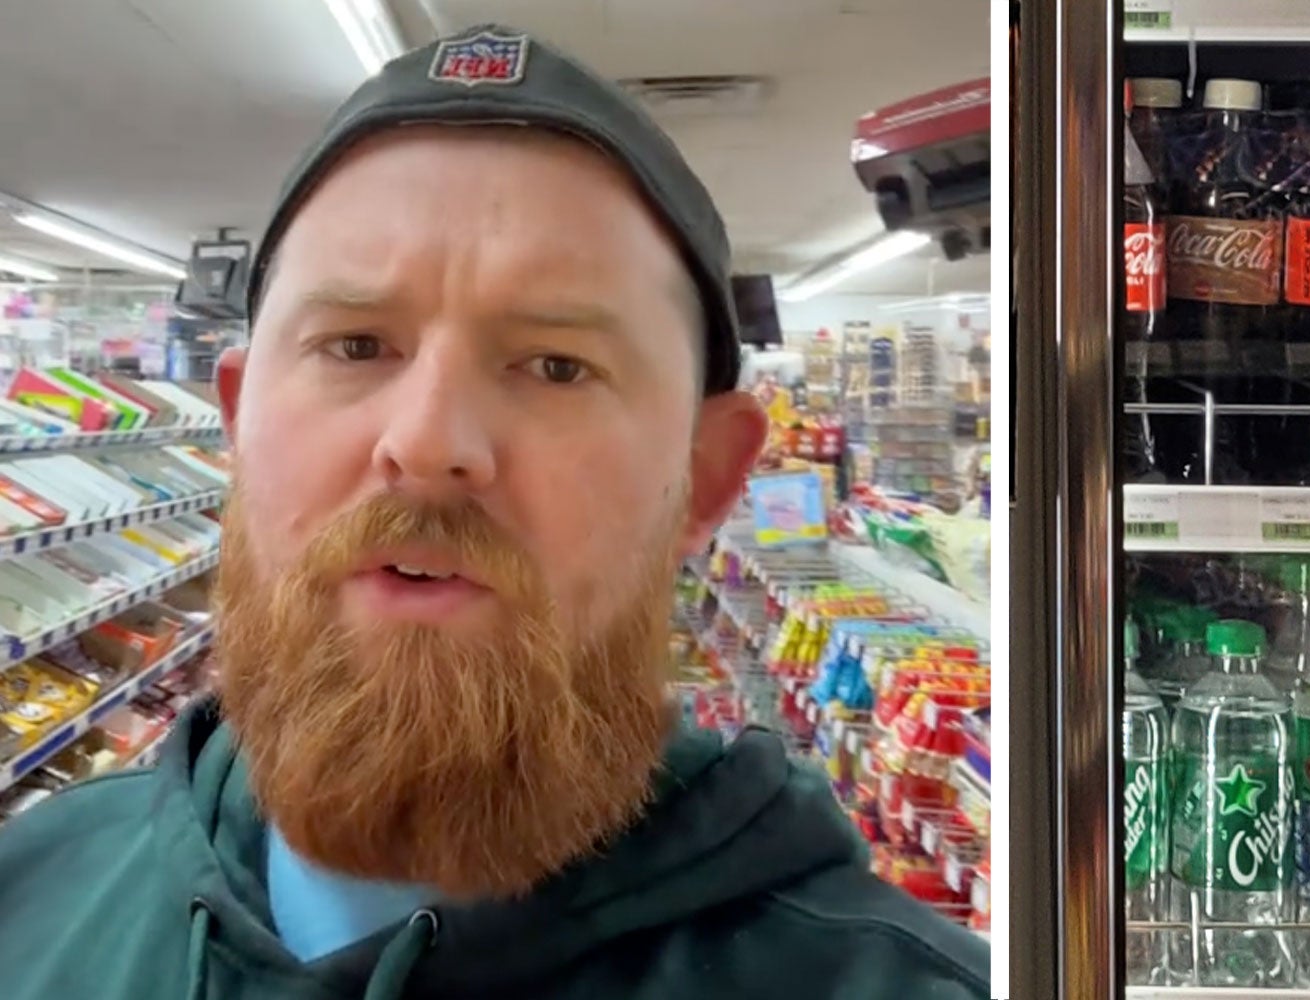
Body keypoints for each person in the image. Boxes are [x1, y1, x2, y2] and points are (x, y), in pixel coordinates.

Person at [0, 24, 989, 999]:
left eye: (555, 366)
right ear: (236, 422)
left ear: (704, 478)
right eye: (353, 345)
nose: (427, 442)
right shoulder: (29, 899)